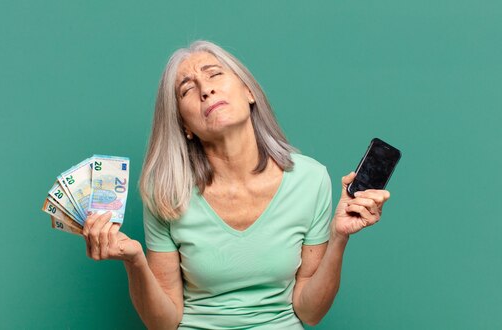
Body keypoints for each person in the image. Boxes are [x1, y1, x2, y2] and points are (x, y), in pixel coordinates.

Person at [82, 40, 391, 329]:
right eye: (187, 89)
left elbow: (309, 312)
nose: (206, 90)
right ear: (185, 126)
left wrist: (338, 238)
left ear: (249, 92)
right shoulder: (165, 192)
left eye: (215, 74)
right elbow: (163, 323)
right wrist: (135, 262)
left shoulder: (310, 180)